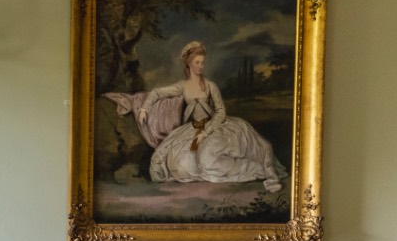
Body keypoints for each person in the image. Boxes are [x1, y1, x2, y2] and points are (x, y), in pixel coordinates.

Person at [104, 41, 282, 191]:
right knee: (176, 164)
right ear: (189, 64)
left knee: (207, 159)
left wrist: (207, 130)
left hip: (217, 128)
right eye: (197, 62)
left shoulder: (210, 86)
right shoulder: (183, 86)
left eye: (202, 63)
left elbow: (221, 112)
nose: (201, 66)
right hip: (192, 129)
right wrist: (144, 109)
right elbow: (157, 93)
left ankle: (258, 170)